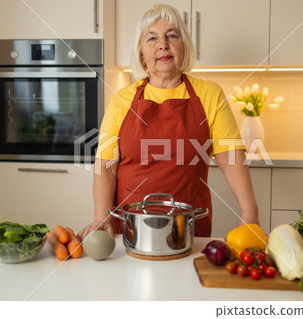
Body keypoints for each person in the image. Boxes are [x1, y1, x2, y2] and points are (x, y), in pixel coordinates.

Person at [78, 4, 258, 241]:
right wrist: (102, 217)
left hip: (187, 230)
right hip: (131, 229)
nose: (163, 43)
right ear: (141, 53)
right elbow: (106, 167)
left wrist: (250, 212)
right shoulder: (122, 99)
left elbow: (230, 156)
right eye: (152, 38)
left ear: (183, 46)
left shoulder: (209, 94)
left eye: (172, 35)